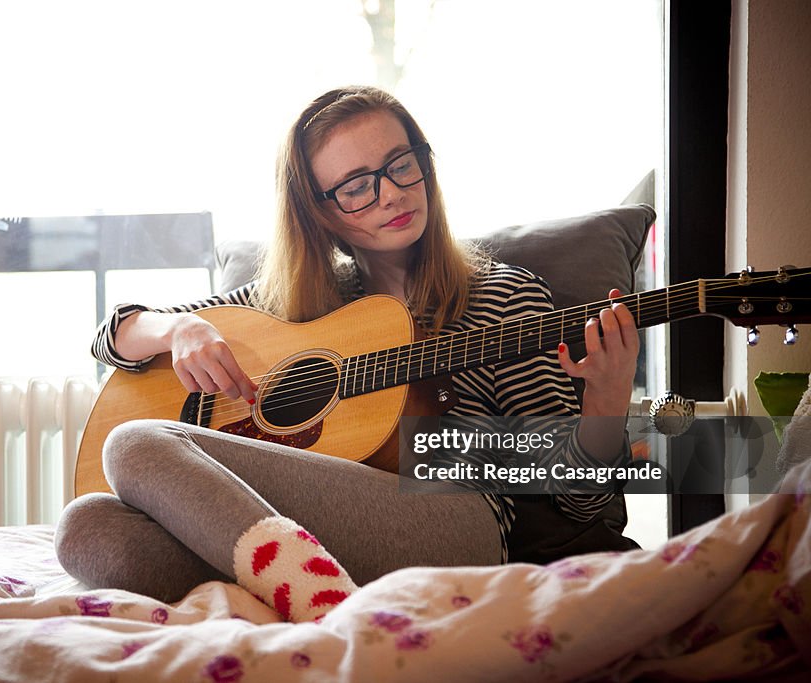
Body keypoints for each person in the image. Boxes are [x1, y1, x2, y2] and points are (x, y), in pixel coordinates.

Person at [55, 85, 639, 623]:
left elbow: (579, 504)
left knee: (134, 444)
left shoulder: (505, 296)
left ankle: (324, 612)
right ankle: (323, 591)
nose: (391, 193)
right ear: (320, 211)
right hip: (322, 529)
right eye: (357, 186)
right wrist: (178, 329)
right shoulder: (295, 307)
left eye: (400, 164)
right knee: (87, 530)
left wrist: (608, 400)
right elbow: (114, 336)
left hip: (456, 517)